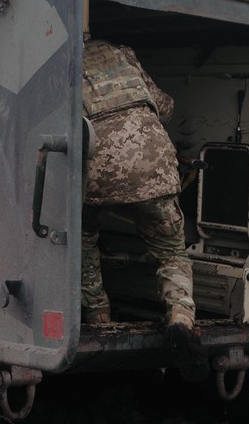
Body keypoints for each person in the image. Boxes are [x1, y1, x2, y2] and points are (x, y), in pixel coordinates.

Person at [80, 37, 204, 374]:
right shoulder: (121, 53)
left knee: (84, 238)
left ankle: (98, 317)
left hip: (100, 172)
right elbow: (164, 107)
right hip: (155, 164)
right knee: (171, 251)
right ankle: (180, 316)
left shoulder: (56, 60)